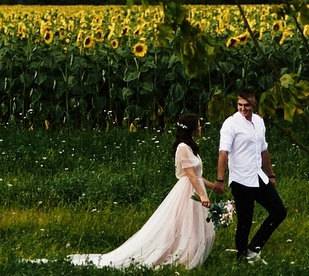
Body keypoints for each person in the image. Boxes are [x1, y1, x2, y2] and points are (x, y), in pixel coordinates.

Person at [67, 113, 215, 268]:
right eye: (198, 125)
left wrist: (212, 186)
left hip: (195, 188)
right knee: (183, 224)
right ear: (191, 128)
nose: (200, 127)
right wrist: (203, 194)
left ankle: (192, 254)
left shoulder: (191, 147)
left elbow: (197, 176)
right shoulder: (183, 148)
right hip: (188, 191)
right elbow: (190, 175)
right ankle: (184, 256)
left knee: (194, 224)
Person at [214, 91, 285, 263]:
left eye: (247, 105)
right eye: (240, 105)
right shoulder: (231, 124)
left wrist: (271, 174)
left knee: (279, 212)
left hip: (258, 175)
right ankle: (241, 256)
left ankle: (254, 248)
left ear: (254, 104)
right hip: (240, 178)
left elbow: (263, 150)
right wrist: (220, 179)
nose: (243, 108)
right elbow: (223, 152)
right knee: (245, 220)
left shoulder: (259, 122)